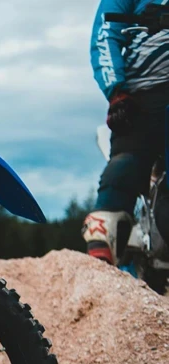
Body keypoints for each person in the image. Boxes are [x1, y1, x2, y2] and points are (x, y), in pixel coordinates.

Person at [85, 0, 169, 264]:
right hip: (144, 91)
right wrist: (116, 91)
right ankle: (102, 238)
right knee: (128, 160)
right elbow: (105, 34)